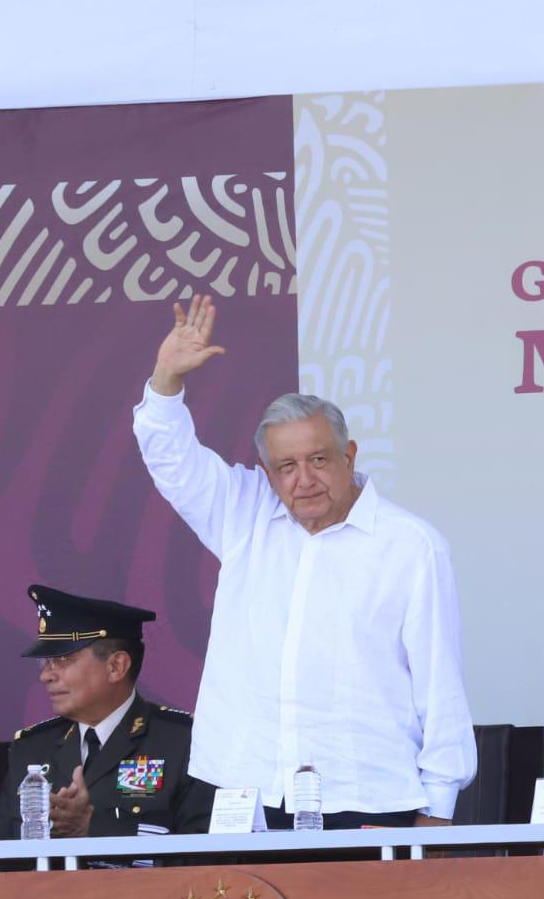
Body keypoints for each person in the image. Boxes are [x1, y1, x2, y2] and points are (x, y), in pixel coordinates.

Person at [131, 296, 476, 830]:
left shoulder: (411, 547)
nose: (304, 479)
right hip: (243, 789)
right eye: (286, 466)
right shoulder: (243, 514)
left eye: (318, 459)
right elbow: (172, 460)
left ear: (350, 455)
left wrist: (437, 809)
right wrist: (165, 380)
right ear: (268, 474)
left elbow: (440, 685)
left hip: (363, 795)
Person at [0, 585, 213, 840]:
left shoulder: (183, 742)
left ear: (116, 666)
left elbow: (206, 854)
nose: (45, 676)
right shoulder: (31, 749)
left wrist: (93, 828)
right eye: (45, 663)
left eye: (63, 660)